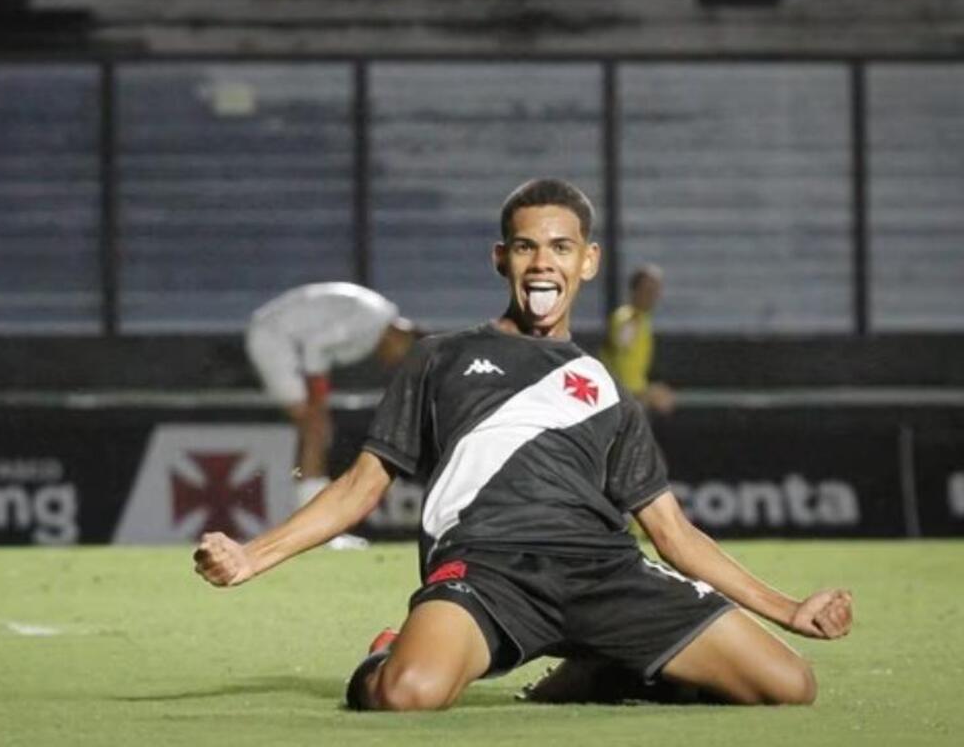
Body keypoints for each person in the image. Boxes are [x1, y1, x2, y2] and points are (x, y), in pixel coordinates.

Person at [197, 178, 852, 711]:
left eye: (562, 248)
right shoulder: (438, 358)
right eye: (526, 247)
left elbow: (674, 535)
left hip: (606, 575)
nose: (543, 263)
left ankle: (596, 666)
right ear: (501, 258)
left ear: (587, 261)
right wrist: (252, 557)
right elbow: (360, 486)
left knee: (789, 686)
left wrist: (791, 610)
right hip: (488, 572)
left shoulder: (607, 390)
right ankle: (392, 648)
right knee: (406, 694)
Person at [245, 282, 419, 507]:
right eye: (403, 355)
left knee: (317, 429)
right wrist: (317, 394)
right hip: (275, 340)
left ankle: (311, 508)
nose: (395, 361)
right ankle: (311, 514)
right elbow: (315, 346)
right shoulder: (371, 318)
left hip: (286, 343)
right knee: (315, 427)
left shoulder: (373, 321)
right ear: (402, 335)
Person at [600, 263, 675, 415]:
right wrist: (646, 394)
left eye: (655, 290)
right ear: (635, 290)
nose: (653, 296)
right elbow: (621, 364)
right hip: (621, 403)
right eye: (648, 290)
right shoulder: (627, 319)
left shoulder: (642, 320)